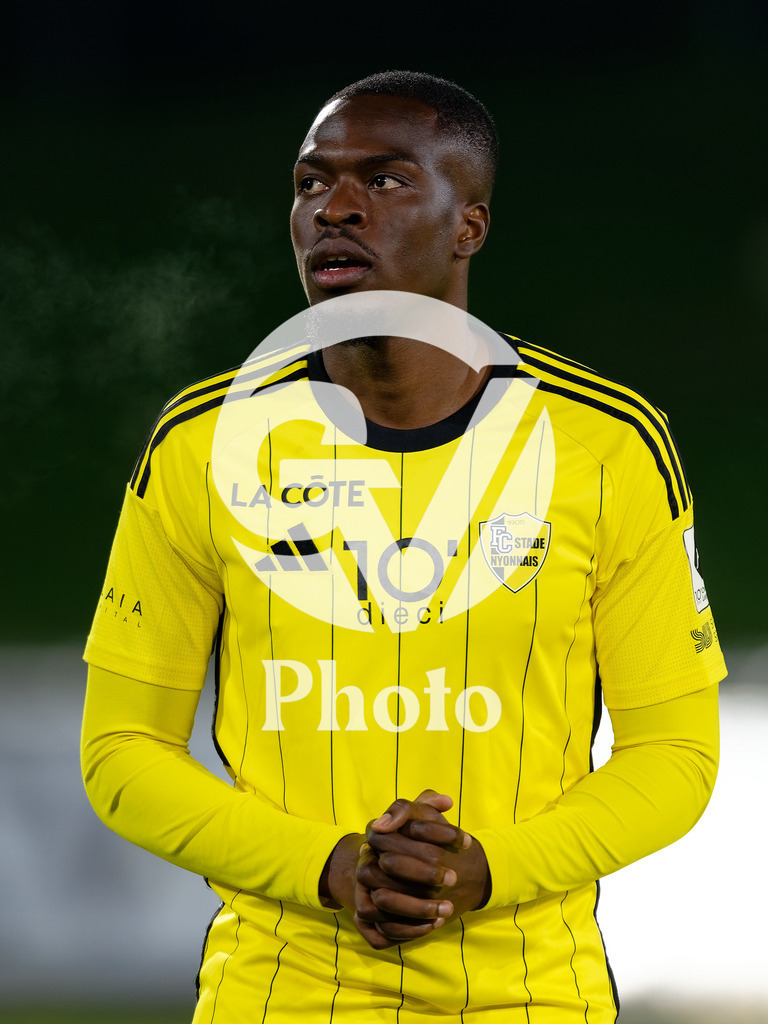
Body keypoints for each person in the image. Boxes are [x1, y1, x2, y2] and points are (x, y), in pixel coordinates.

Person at [81, 70, 726, 1023]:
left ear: (469, 227)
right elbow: (121, 750)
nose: (334, 208)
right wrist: (330, 867)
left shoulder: (609, 447)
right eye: (310, 184)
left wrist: (491, 869)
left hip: (532, 1000)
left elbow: (674, 755)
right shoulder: (199, 445)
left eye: (384, 181)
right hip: (274, 998)